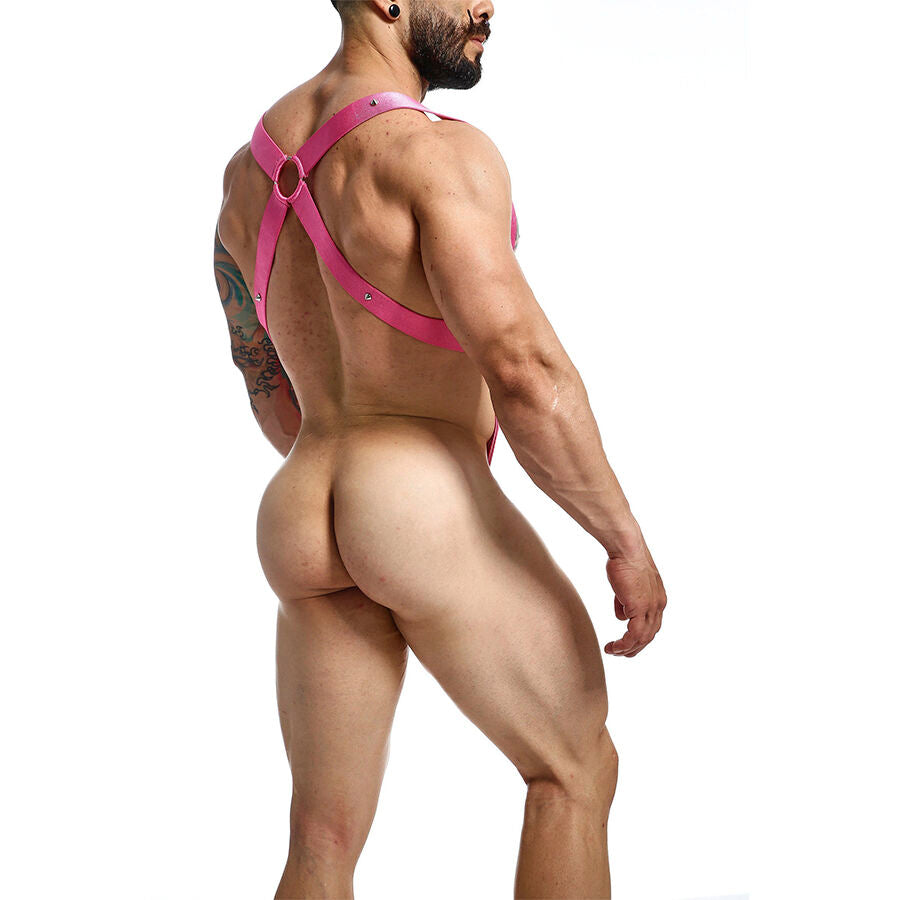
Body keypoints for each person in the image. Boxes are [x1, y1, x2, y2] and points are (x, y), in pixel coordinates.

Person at [213, 1, 667, 897]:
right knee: (573, 768)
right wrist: (622, 538)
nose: (486, 6)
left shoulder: (246, 177)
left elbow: (260, 372)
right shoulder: (435, 155)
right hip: (416, 491)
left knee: (321, 842)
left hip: (301, 505)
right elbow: (524, 368)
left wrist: (348, 483)